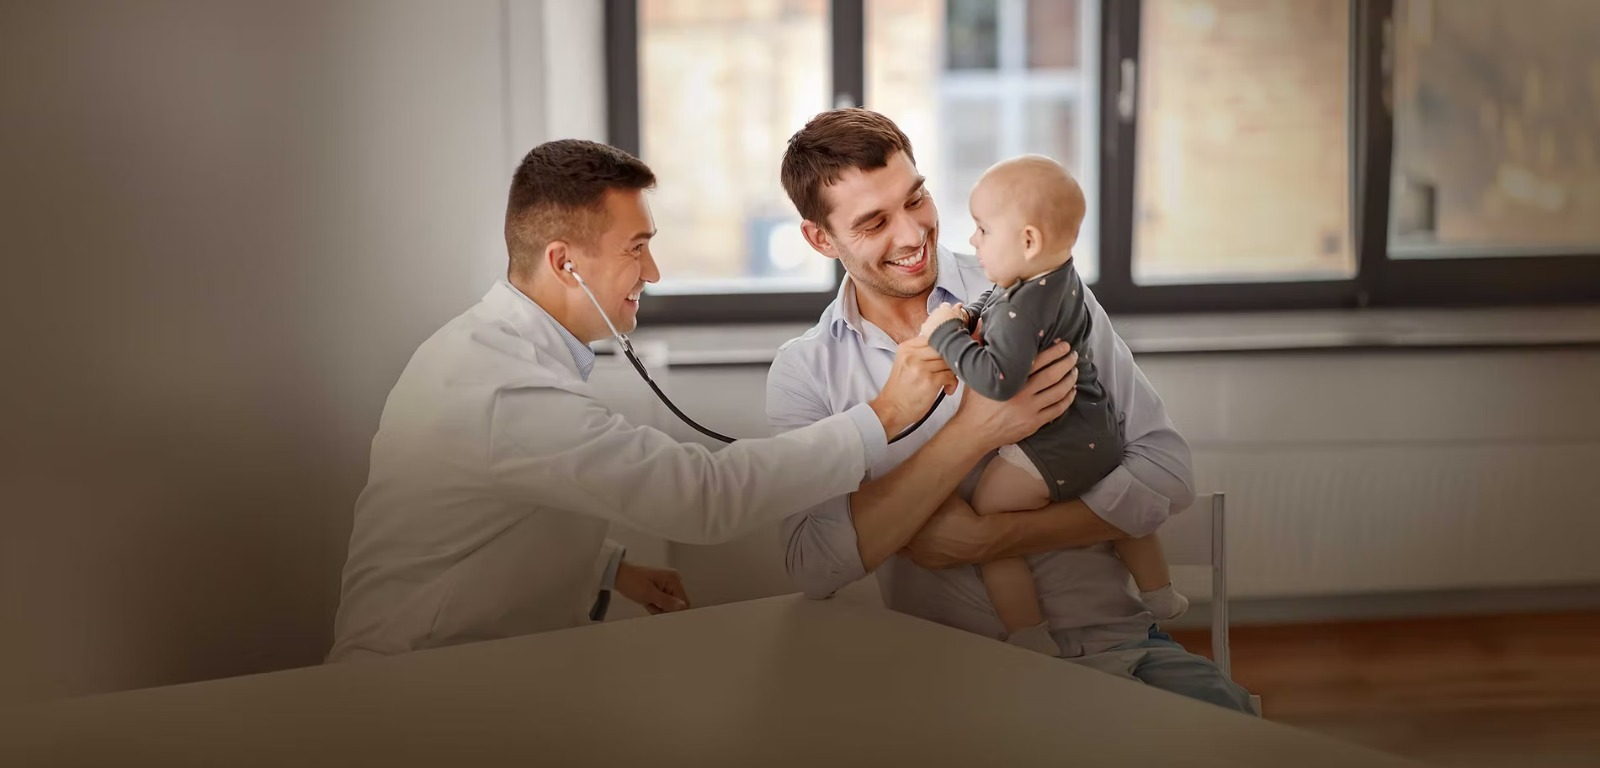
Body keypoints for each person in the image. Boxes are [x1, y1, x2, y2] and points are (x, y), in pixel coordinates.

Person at [325, 139, 1073, 662]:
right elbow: (703, 497)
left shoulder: (508, 356)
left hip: (483, 670)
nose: (653, 269)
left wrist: (611, 567)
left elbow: (492, 508)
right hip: (414, 682)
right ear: (564, 262)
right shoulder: (498, 389)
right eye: (636, 246)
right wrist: (882, 417)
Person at [768, 108, 1254, 712]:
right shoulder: (806, 373)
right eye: (873, 222)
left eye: (915, 199)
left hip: (1118, 654)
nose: (913, 234)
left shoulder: (1037, 285)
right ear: (820, 238)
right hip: (949, 681)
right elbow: (814, 567)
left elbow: (1167, 472)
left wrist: (988, 538)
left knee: (1245, 737)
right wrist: (975, 432)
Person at [915, 154, 1187, 657]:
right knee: (1119, 502)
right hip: (1099, 432)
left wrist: (946, 335)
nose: (972, 241)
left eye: (981, 229)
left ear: (1027, 241)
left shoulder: (1021, 309)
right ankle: (1161, 594)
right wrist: (971, 312)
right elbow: (995, 301)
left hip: (1051, 448)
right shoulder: (1055, 280)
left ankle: (1026, 629)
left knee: (989, 518)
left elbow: (997, 379)